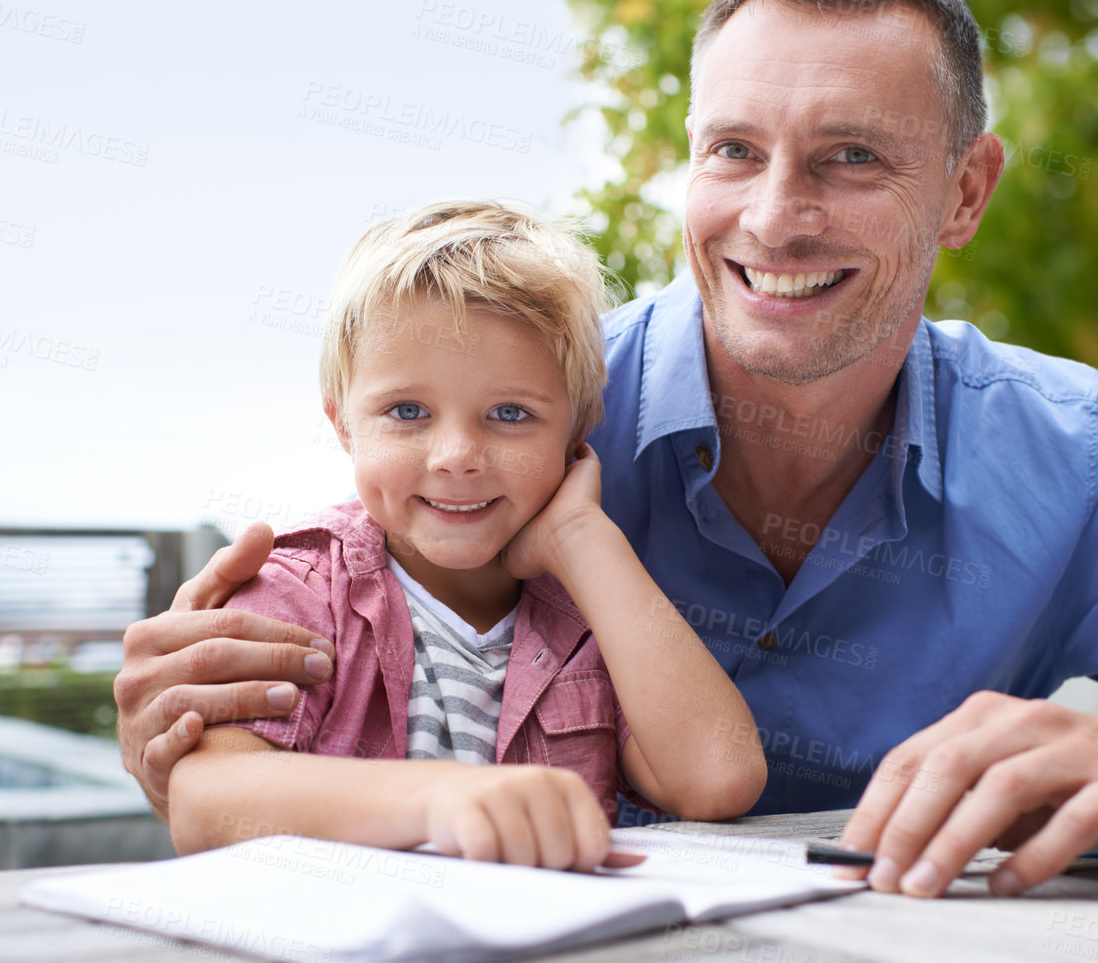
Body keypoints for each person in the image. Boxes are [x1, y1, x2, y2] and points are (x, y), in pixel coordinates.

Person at [117, 0, 1098, 898]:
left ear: (964, 193)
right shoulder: (527, 415)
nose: (773, 217)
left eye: (850, 158)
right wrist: (193, 722)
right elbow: (304, 675)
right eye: (733, 151)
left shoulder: (1064, 450)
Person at [163, 201, 766, 867]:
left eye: (509, 413)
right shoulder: (298, 588)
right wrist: (437, 798)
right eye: (407, 411)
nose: (457, 453)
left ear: (577, 428)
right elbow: (205, 799)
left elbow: (718, 777)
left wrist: (582, 538)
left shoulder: (592, 615)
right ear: (343, 423)